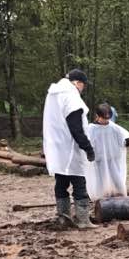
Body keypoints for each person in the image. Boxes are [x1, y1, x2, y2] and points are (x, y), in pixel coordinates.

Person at [42, 69, 97, 229]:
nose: (82, 89)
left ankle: (63, 216)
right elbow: (76, 127)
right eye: (83, 86)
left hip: (57, 147)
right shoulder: (71, 96)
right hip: (71, 147)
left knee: (61, 182)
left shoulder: (53, 94)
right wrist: (87, 147)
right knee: (79, 183)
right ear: (78, 83)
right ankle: (83, 220)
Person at [85, 103, 129, 199]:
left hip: (113, 159)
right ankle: (101, 199)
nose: (106, 121)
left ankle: (121, 196)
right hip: (99, 160)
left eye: (108, 119)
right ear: (97, 116)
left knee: (117, 179)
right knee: (101, 181)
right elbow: (87, 143)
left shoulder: (114, 128)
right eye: (104, 118)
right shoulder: (91, 129)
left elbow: (122, 141)